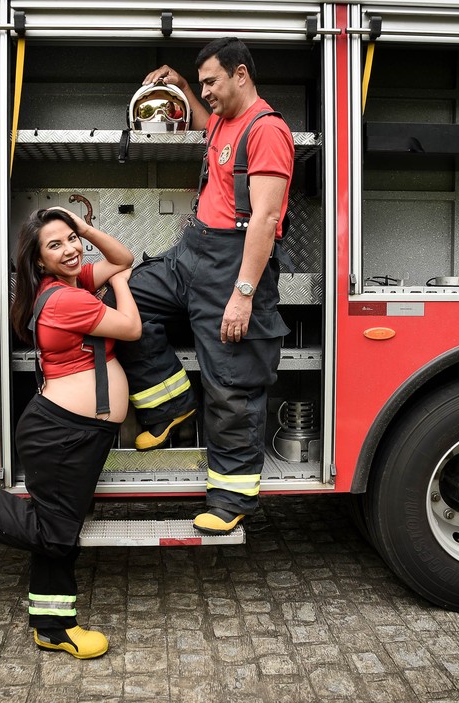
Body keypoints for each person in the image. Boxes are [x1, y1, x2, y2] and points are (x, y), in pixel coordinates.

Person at [0, 207, 140, 660]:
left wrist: (87, 230)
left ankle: (53, 628)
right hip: (62, 434)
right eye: (56, 245)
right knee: (55, 533)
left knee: (59, 529)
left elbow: (122, 254)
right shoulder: (68, 299)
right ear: (37, 262)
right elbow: (131, 325)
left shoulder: (70, 284)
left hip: (73, 432)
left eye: (72, 239)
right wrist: (122, 284)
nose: (71, 249)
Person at [121, 38, 294, 535]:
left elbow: (264, 219)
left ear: (241, 74)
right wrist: (178, 86)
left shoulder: (267, 131)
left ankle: (231, 498)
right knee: (121, 301)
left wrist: (242, 296)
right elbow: (206, 125)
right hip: (191, 254)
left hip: (234, 264)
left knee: (231, 388)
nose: (206, 93)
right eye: (200, 85)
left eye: (211, 83)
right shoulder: (222, 119)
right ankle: (171, 406)